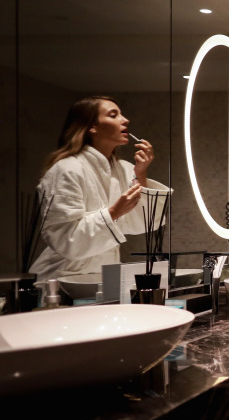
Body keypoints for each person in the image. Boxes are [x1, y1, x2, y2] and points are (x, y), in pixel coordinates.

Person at [30, 96, 168, 281]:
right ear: (92, 126)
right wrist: (113, 212)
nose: (125, 120)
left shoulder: (124, 169)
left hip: (102, 276)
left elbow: (143, 222)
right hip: (60, 278)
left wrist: (141, 173)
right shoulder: (67, 169)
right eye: (113, 115)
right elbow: (64, 239)